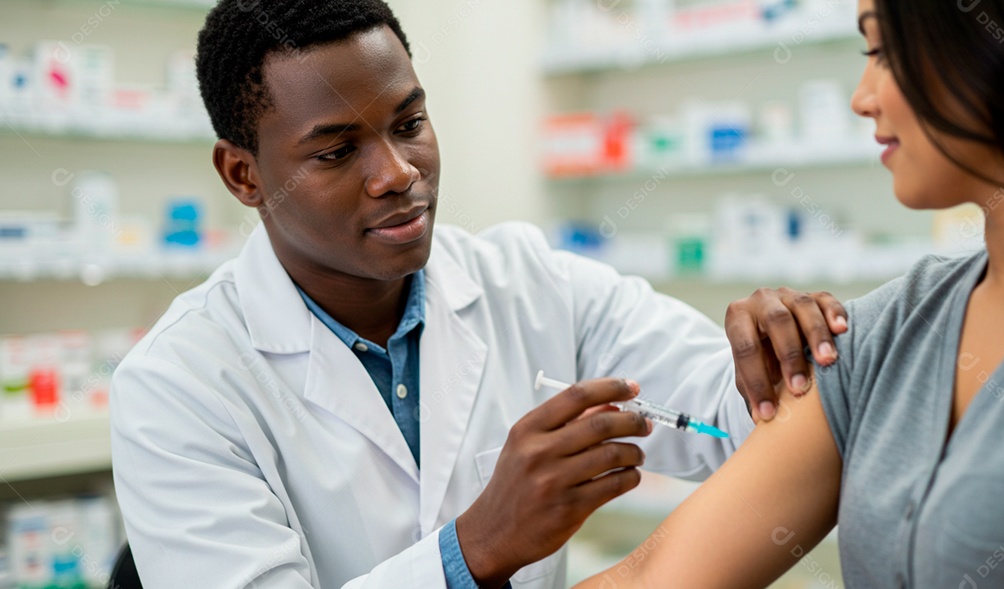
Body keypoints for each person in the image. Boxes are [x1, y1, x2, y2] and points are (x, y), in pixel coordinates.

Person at [108, 1, 847, 588]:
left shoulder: (530, 282)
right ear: (243, 175)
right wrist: (479, 544)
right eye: (337, 150)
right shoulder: (179, 384)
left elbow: (730, 410)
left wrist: (777, 354)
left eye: (410, 123)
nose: (398, 172)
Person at [576, 0, 1004, 587]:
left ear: (997, 43)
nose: (862, 98)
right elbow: (649, 578)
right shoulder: (887, 331)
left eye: (883, 52)